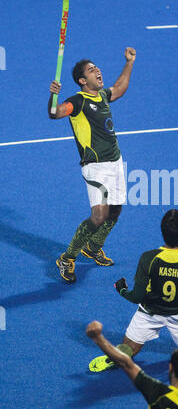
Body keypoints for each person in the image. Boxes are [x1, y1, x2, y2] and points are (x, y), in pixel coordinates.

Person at [48, 47, 136, 283]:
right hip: (95, 166)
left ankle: (94, 247)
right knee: (98, 216)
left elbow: (119, 89)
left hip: (116, 161)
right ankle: (67, 258)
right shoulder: (77, 102)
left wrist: (129, 62)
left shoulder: (103, 96)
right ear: (81, 80)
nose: (97, 70)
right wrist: (53, 96)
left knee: (115, 210)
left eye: (96, 67)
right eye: (91, 70)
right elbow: (55, 113)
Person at [88, 209, 178, 372]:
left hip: (149, 313)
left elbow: (136, 296)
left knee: (129, 348)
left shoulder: (148, 258)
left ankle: (117, 355)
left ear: (162, 231)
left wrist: (121, 290)